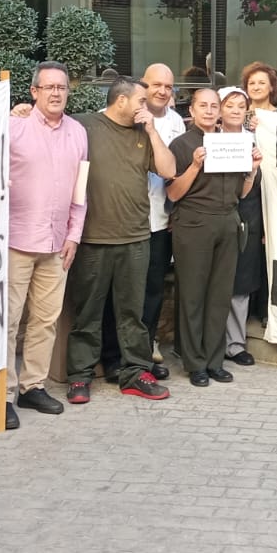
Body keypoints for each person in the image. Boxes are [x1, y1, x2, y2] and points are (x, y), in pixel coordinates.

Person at [64, 76, 177, 404]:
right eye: (141, 101)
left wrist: (154, 132)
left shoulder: (145, 134)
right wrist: (23, 112)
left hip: (136, 238)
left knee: (132, 313)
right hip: (93, 238)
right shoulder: (85, 126)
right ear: (122, 100)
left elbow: (169, 170)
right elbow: (51, 128)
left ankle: (134, 373)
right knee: (88, 312)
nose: (147, 107)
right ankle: (79, 376)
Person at [0, 62, 89, 428]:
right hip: (16, 240)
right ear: (33, 92)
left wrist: (74, 235)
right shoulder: (13, 127)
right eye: (48, 87)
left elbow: (80, 191)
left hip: (56, 245)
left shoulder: (78, 132)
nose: (55, 93)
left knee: (45, 321)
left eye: (61, 87)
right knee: (7, 323)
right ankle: (1, 396)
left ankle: (33, 386)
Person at [167, 87, 261, 386]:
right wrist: (195, 165)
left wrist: (252, 171)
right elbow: (173, 193)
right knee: (193, 295)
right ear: (191, 112)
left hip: (227, 222)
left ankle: (214, 360)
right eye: (202, 106)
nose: (209, 111)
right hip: (194, 224)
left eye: (213, 106)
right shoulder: (181, 145)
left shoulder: (232, 143)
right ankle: (195, 363)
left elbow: (240, 192)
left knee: (220, 295)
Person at [100, 63, 184, 380]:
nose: (162, 91)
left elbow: (175, 170)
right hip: (118, 223)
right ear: (142, 86)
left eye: (168, 86)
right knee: (116, 295)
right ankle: (111, 358)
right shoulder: (109, 117)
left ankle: (143, 355)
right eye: (156, 85)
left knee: (150, 294)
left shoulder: (176, 122)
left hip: (158, 222)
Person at [221, 87, 265, 367]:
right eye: (230, 105)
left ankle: (235, 344)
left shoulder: (258, 141)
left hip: (248, 218)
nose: (236, 110)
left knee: (241, 282)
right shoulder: (209, 140)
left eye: (241, 106)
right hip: (217, 217)